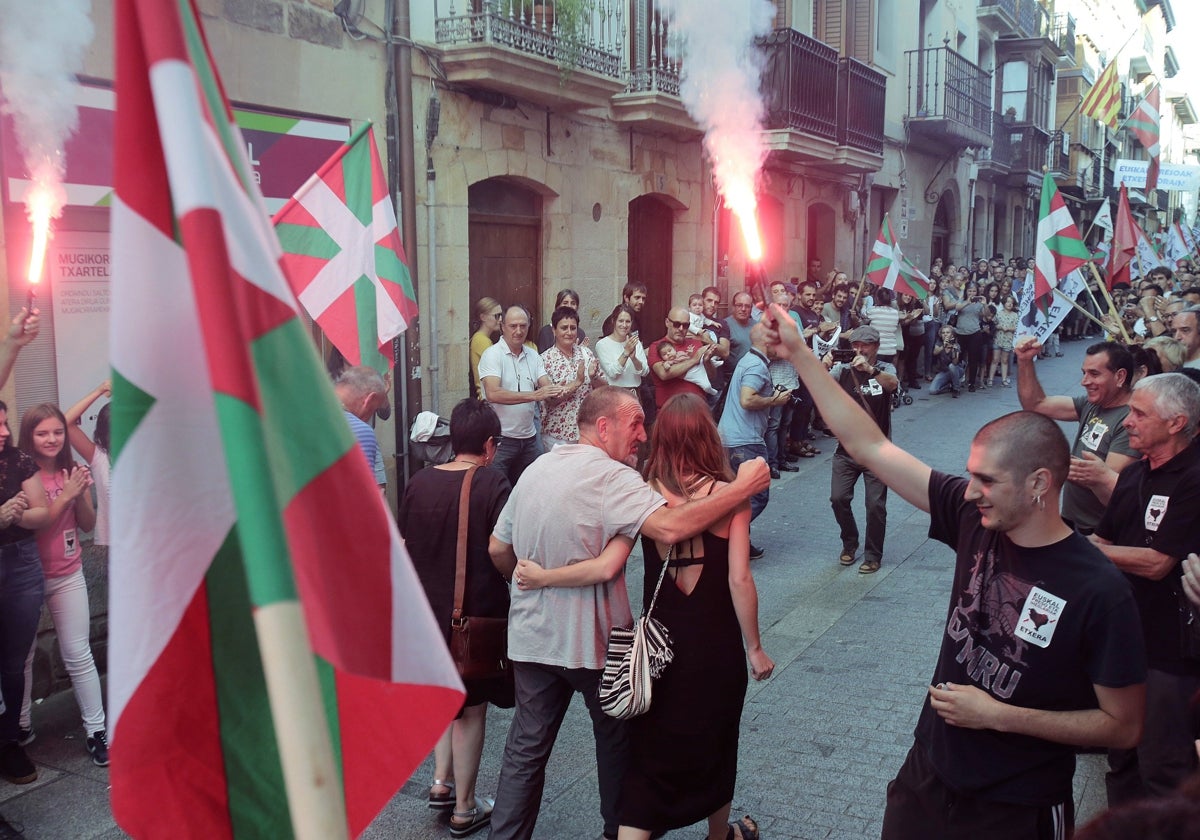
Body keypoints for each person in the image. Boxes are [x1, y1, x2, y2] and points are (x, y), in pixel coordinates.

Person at [760, 303, 1148, 840]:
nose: (970, 492)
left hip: (1016, 805)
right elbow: (870, 444)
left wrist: (1000, 716)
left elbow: (1124, 726)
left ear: (1038, 484)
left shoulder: (1099, 589)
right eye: (970, 476)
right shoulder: (974, 517)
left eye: (987, 480)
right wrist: (802, 354)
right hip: (929, 773)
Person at [485, 386, 770, 840]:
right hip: (594, 641)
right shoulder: (616, 479)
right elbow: (671, 527)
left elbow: (499, 548)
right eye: (634, 423)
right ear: (604, 427)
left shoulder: (537, 467)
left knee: (525, 751)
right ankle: (619, 831)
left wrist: (529, 584)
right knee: (618, 742)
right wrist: (742, 488)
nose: (642, 433)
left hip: (533, 636)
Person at [399, 399, 514, 838]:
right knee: (470, 711)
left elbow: (406, 542)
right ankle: (465, 808)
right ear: (488, 444)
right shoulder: (491, 482)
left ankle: (440, 781)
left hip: (425, 613)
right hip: (471, 615)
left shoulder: (419, 482)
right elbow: (502, 548)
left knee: (443, 699)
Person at [1089, 373, 1200, 806]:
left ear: (1176, 423)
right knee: (1122, 760)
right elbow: (1104, 542)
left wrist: (1075, 550)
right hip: (1126, 646)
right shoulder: (1134, 474)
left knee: (1164, 766)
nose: (1127, 422)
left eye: (1138, 413)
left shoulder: (1194, 478)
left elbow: (1157, 564)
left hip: (1172, 656)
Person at [17, 404, 106, 766]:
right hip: (27, 579)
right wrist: (66, 495)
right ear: (29, 437)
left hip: (68, 574)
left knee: (78, 653)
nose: (51, 439)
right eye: (42, 433)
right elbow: (35, 526)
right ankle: (20, 725)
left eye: (57, 431)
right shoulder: (20, 475)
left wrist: (82, 492)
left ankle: (97, 730)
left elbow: (86, 524)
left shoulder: (71, 471)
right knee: (20, 657)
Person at [1015, 338, 1139, 534]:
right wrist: (1025, 361)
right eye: (1084, 373)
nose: (1084, 382)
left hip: (1101, 532)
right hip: (1073, 522)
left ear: (1120, 376)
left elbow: (1107, 481)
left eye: (1094, 374)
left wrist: (1054, 463)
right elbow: (1037, 404)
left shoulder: (1132, 419)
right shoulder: (1094, 403)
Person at [0, 307, 46, 789]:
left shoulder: (15, 459)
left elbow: (40, 513)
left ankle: (9, 740)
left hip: (20, 565)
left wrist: (12, 344)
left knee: (14, 663)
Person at [822, 325, 897, 574]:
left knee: (875, 506)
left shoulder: (885, 369)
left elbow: (893, 384)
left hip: (877, 452)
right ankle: (850, 542)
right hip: (847, 450)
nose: (859, 349)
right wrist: (823, 365)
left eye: (864, 345)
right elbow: (818, 386)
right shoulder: (842, 370)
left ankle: (873, 554)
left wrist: (870, 370)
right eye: (855, 345)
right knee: (838, 498)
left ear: (875, 347)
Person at [717, 323, 790, 559]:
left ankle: (740, 544)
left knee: (738, 495)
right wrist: (774, 401)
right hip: (745, 442)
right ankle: (727, 533)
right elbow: (748, 400)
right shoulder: (756, 365)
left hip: (732, 440)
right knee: (757, 495)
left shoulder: (750, 360)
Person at [478, 305, 563, 485]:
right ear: (503, 326)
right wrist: (535, 395)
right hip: (500, 441)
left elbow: (547, 389)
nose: (519, 331)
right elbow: (493, 393)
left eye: (523, 326)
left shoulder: (533, 355)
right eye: (513, 326)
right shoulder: (492, 355)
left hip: (530, 440)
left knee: (531, 492)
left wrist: (572, 384)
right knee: (497, 494)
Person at [540, 306, 605, 450]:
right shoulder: (544, 360)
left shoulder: (586, 353)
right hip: (557, 437)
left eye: (573, 328)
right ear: (554, 330)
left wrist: (594, 377)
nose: (569, 332)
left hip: (586, 433)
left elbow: (604, 388)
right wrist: (577, 383)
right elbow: (551, 400)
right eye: (564, 328)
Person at [64, 382, 112, 547]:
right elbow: (66, 422)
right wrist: (98, 391)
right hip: (112, 543)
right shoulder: (99, 456)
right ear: (103, 434)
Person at [647, 308, 717, 409]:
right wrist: (694, 360)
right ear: (667, 322)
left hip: (698, 409)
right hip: (671, 411)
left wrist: (707, 362)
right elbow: (664, 374)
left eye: (685, 325)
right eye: (676, 324)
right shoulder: (657, 347)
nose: (681, 328)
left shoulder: (696, 343)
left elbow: (711, 376)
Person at [334, 365, 389, 488]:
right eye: (373, 410)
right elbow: (359, 494)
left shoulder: (304, 413)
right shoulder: (361, 431)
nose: (368, 417)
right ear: (369, 400)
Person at [595, 305, 647, 392]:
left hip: (634, 393)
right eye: (621, 321)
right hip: (613, 393)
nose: (624, 325)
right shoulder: (602, 345)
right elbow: (613, 373)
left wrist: (634, 359)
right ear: (613, 321)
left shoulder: (635, 342)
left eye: (628, 321)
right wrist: (626, 353)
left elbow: (645, 372)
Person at [471, 297, 504, 399]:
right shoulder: (481, 340)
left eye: (501, 315)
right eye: (496, 316)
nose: (500, 319)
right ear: (483, 317)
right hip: (486, 397)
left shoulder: (483, 339)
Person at [536, 289, 587, 353]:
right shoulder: (546, 332)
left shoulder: (581, 333)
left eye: (573, 303)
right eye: (565, 303)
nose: (569, 306)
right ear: (558, 306)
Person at [988, 295, 1018, 387]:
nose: (1009, 304)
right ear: (1004, 303)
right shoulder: (999, 313)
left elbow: (1016, 327)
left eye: (1011, 303)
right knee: (995, 359)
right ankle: (990, 379)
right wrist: (999, 327)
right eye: (1008, 302)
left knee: (1004, 360)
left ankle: (1004, 379)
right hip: (998, 339)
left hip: (1008, 340)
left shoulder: (1015, 315)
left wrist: (1009, 328)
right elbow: (993, 324)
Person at [928, 325, 964, 397]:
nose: (945, 334)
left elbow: (955, 363)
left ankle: (956, 389)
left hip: (957, 370)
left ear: (952, 334)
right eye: (943, 333)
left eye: (948, 332)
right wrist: (944, 346)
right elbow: (935, 352)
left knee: (952, 366)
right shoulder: (939, 343)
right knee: (932, 391)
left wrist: (953, 350)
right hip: (944, 371)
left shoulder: (956, 345)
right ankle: (949, 386)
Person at [724, 291, 756, 370]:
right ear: (733, 306)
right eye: (739, 305)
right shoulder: (725, 325)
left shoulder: (757, 326)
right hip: (732, 377)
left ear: (751, 308)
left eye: (747, 306)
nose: (743, 309)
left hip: (754, 374)